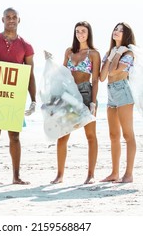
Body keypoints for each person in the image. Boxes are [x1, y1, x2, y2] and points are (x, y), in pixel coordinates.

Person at [0, 7, 36, 187]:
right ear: (2, 19)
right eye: (8, 17)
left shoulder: (26, 46)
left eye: (14, 17)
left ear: (19, 20)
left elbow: (30, 74)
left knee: (15, 137)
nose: (11, 20)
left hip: (14, 96)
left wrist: (33, 99)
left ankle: (16, 176)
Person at [50, 21, 101, 185]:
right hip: (69, 95)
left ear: (89, 33)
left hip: (86, 93)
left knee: (90, 136)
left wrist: (93, 102)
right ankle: (59, 175)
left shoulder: (93, 54)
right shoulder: (69, 52)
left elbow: (95, 79)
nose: (80, 34)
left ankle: (91, 174)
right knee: (63, 136)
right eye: (77, 31)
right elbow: (62, 75)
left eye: (83, 31)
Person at [99, 22, 137, 183]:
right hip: (110, 93)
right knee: (114, 135)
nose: (116, 32)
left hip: (123, 92)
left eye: (121, 31)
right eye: (116, 29)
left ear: (126, 35)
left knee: (128, 134)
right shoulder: (110, 52)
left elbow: (114, 71)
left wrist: (117, 53)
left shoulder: (128, 53)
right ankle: (114, 173)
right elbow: (102, 77)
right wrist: (113, 53)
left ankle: (128, 174)